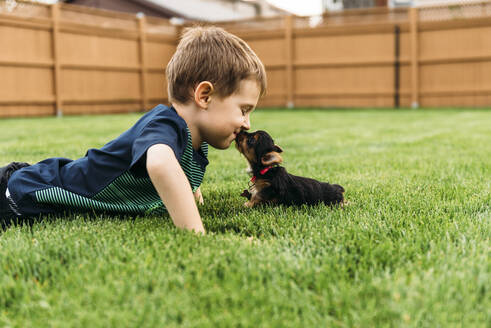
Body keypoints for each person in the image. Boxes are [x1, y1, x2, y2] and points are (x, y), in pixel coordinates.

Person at [0, 26, 267, 234]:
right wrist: (193, 231)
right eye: (243, 110)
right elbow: (162, 165)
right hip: (27, 194)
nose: (247, 123)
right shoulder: (165, 123)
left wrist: (191, 194)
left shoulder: (196, 143)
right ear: (205, 96)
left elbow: (181, 175)